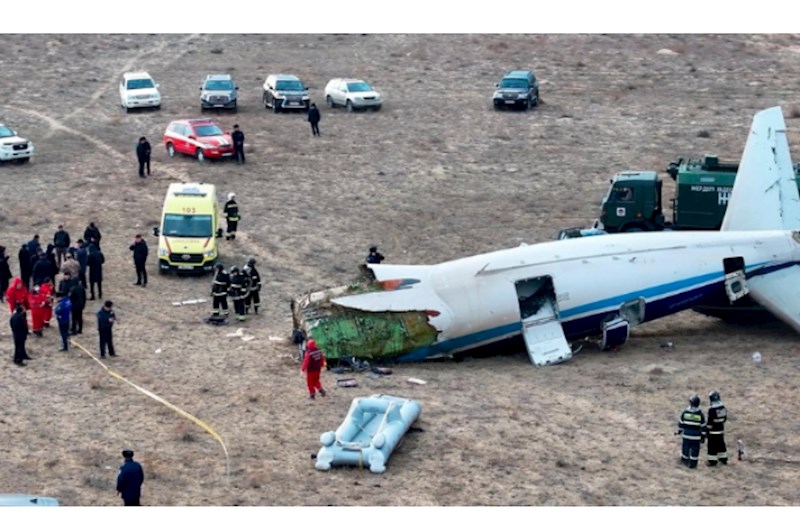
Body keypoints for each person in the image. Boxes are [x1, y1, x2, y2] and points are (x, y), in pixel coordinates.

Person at [677, 395, 707, 469]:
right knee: (695, 451)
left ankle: (684, 461)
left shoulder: (685, 412)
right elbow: (703, 426)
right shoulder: (700, 414)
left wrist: (680, 431)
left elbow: (680, 423)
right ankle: (693, 464)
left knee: (685, 449)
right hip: (696, 437)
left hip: (686, 435)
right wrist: (703, 437)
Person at [706, 390, 728, 466]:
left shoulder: (711, 409)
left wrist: (707, 430)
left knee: (712, 446)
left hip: (713, 432)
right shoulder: (722, 407)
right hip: (720, 430)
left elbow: (710, 421)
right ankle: (723, 459)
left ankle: (712, 461)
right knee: (721, 444)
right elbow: (725, 418)